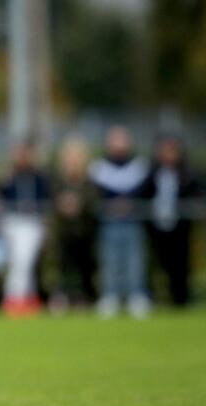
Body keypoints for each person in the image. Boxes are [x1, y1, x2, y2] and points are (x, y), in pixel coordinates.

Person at [89, 126, 150, 318]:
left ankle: (136, 295)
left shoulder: (139, 166)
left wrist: (128, 204)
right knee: (110, 258)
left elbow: (144, 190)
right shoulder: (99, 168)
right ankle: (110, 295)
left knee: (134, 258)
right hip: (109, 220)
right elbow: (96, 193)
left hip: (132, 220)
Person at [143, 133, 200, 307]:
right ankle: (155, 297)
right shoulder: (152, 173)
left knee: (180, 264)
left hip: (181, 227)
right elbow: (144, 193)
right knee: (156, 264)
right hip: (156, 227)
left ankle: (180, 299)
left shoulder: (188, 174)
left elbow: (197, 195)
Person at [0, 138, 49, 317]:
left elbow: (46, 198)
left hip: (32, 222)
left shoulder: (39, 176)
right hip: (13, 221)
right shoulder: (9, 175)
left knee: (25, 260)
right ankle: (22, 297)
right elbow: (1, 197)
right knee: (18, 261)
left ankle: (17, 296)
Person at [49, 135, 97, 313]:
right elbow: (53, 198)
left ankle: (85, 298)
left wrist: (79, 204)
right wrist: (62, 204)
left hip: (84, 231)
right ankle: (62, 297)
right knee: (63, 267)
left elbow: (93, 199)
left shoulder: (89, 181)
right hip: (63, 232)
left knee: (86, 267)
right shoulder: (58, 180)